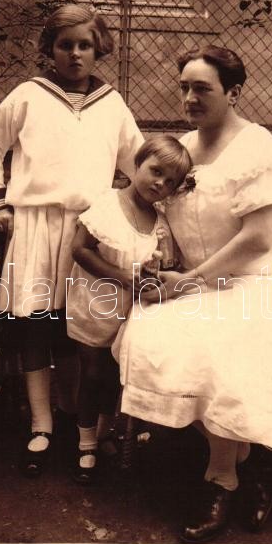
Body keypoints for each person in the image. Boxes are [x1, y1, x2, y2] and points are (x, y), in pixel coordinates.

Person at [113, 45, 272, 543]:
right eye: (185, 87)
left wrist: (189, 283)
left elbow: (258, 239)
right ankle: (244, 459)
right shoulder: (182, 151)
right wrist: (160, 262)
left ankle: (221, 480)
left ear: (234, 92)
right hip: (201, 280)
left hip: (268, 282)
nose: (190, 98)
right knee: (146, 339)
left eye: (203, 88)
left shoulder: (257, 150)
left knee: (226, 347)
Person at [0, 3, 143, 477]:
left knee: (82, 328)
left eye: (84, 45)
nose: (75, 54)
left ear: (99, 49)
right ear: (49, 49)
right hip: (35, 226)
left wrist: (156, 203)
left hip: (89, 231)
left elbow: (136, 161)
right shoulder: (28, 95)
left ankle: (78, 419)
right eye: (65, 44)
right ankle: (41, 424)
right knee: (35, 324)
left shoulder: (112, 103)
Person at [66, 135, 192, 483]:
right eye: (155, 171)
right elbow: (80, 249)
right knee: (92, 374)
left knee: (113, 376)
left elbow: (154, 263)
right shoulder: (109, 205)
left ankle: (105, 432)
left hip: (129, 313)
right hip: (95, 305)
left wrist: (153, 275)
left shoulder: (158, 221)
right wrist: (123, 277)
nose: (159, 183)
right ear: (137, 164)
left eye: (170, 181)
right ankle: (85, 442)